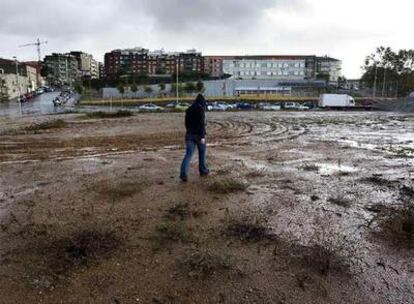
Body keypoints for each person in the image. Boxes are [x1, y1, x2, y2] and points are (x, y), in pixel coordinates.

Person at [180, 94, 210, 182]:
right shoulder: (200, 109)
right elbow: (201, 124)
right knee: (202, 153)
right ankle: (203, 170)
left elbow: (186, 123)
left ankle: (183, 173)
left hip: (189, 135)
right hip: (199, 136)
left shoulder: (188, 109)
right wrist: (203, 136)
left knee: (188, 154)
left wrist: (189, 131)